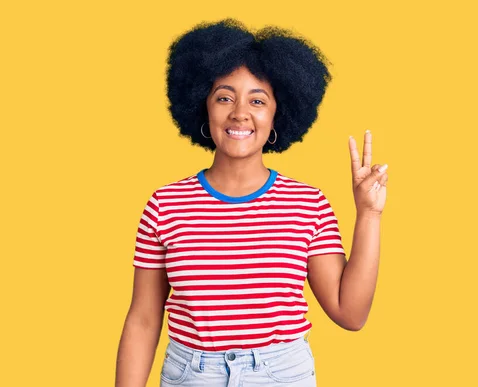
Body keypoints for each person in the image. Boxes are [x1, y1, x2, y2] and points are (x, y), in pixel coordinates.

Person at [115, 18, 389, 387]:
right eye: (224, 97)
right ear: (203, 107)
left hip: (281, 375)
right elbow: (144, 319)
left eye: (257, 100)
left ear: (278, 113)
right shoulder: (166, 205)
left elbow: (350, 314)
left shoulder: (308, 204)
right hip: (191, 375)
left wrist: (369, 214)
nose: (240, 112)